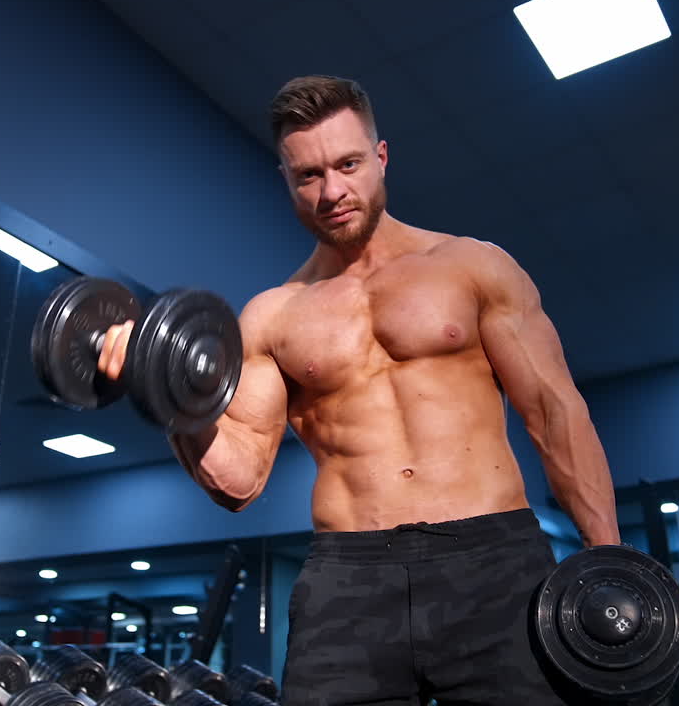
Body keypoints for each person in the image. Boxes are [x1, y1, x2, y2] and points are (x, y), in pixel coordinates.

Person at [98, 75, 618, 705]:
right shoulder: (270, 317)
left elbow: (553, 412)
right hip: (348, 579)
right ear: (286, 180)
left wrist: (608, 558)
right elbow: (239, 483)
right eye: (308, 175)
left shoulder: (473, 267)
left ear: (381, 157)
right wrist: (163, 391)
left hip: (494, 563)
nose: (332, 192)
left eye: (347, 164)